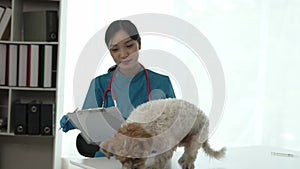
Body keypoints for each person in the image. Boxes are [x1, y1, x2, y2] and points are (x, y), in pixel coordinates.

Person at [60, 20, 176, 157]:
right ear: (109, 52)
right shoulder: (100, 84)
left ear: (139, 43)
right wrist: (74, 122)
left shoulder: (162, 83)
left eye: (129, 46)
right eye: (115, 49)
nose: (123, 54)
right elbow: (89, 127)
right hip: (107, 160)